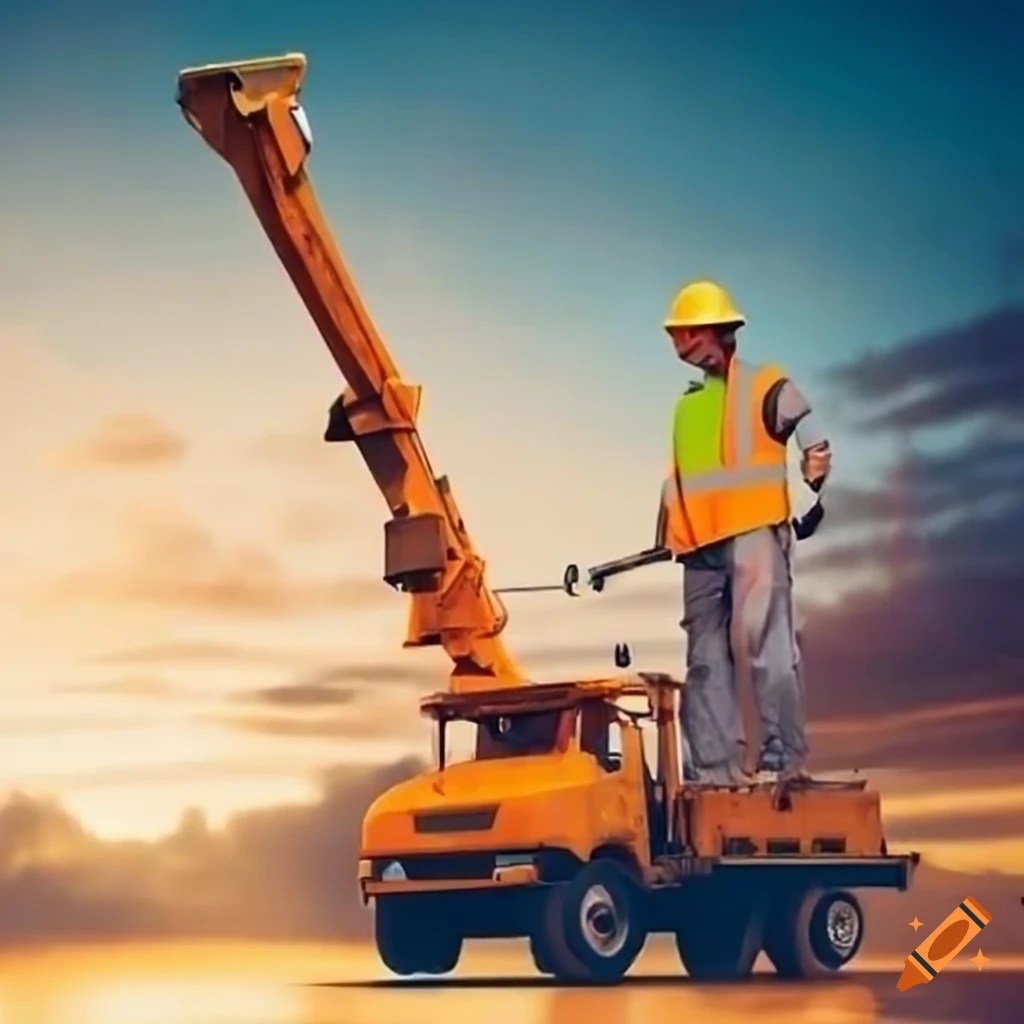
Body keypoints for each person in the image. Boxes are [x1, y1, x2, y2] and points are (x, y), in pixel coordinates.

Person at [655, 279, 831, 785]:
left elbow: (812, 436)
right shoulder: (686, 406)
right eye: (675, 334)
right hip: (698, 547)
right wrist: (668, 534)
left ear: (713, 331)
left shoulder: (763, 383)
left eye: (684, 331)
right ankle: (714, 772)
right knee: (705, 661)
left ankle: (783, 761)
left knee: (768, 648)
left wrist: (812, 493)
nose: (679, 343)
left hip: (755, 531)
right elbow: (680, 480)